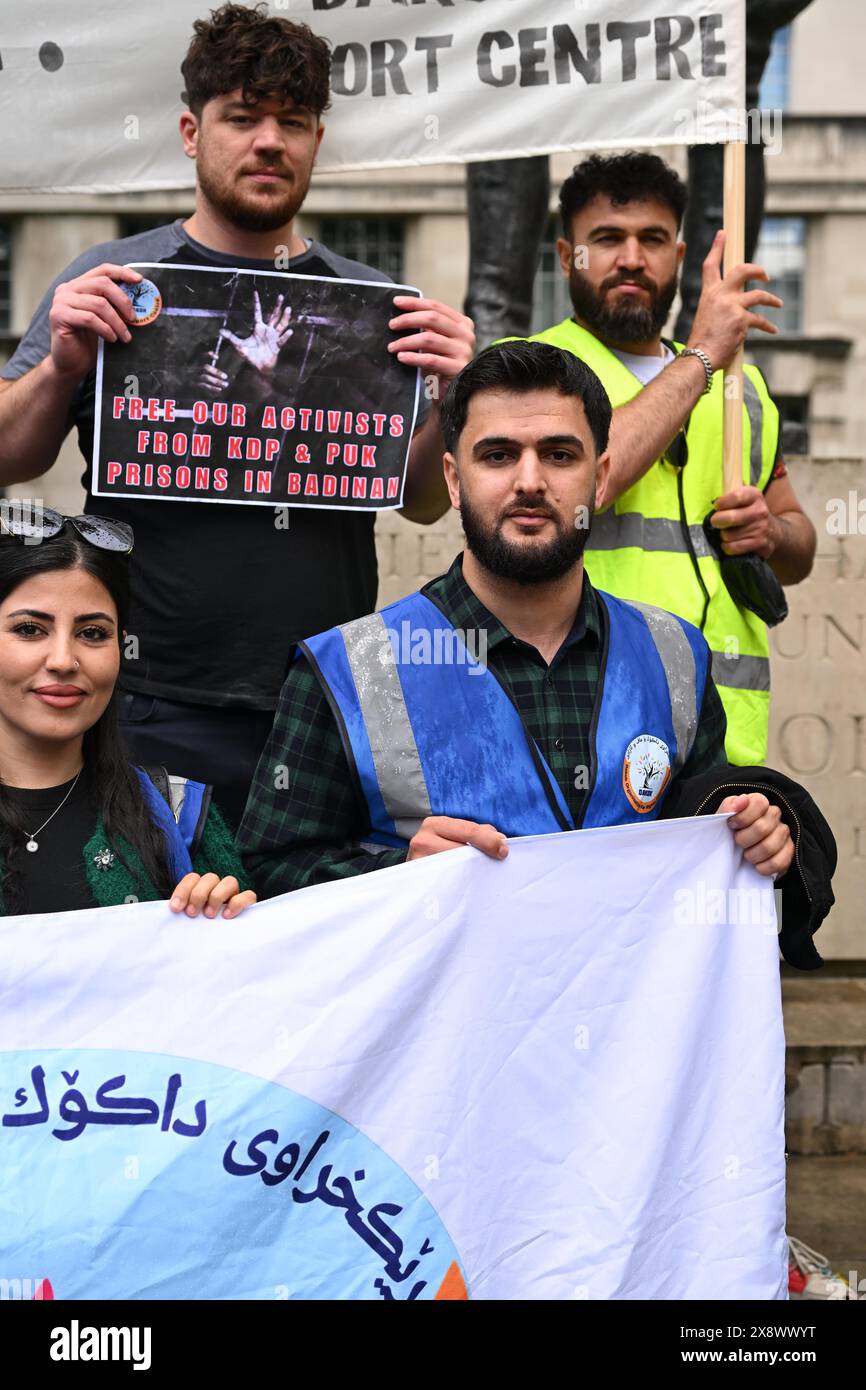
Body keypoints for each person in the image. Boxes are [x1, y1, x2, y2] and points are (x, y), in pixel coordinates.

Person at [0, 3, 474, 827]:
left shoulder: (373, 307)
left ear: (317, 142)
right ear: (192, 131)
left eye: (293, 122)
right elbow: (10, 457)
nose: (269, 142)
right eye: (242, 117)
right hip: (142, 701)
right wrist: (63, 364)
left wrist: (449, 401)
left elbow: (422, 498)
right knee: (156, 937)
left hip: (319, 696)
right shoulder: (112, 278)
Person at [237, 343, 834, 969]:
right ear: (452, 479)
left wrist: (752, 829)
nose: (529, 481)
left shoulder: (675, 654)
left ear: (599, 478)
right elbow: (265, 874)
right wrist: (394, 873)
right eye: (497, 456)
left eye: (559, 454)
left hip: (632, 1048)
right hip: (442, 1054)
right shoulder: (347, 668)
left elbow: (703, 823)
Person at [513, 152, 816, 766]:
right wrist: (702, 353)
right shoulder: (527, 367)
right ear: (568, 252)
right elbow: (593, 481)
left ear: (679, 257)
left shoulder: (745, 392)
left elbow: (801, 550)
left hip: (724, 742)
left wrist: (770, 530)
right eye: (607, 239)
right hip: (585, 722)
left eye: (652, 239)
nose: (631, 258)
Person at [0, 508, 254, 919]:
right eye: (30, 629)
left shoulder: (178, 812)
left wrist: (227, 918)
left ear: (121, 647)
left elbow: (250, 976)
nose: (64, 660)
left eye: (92, 633)